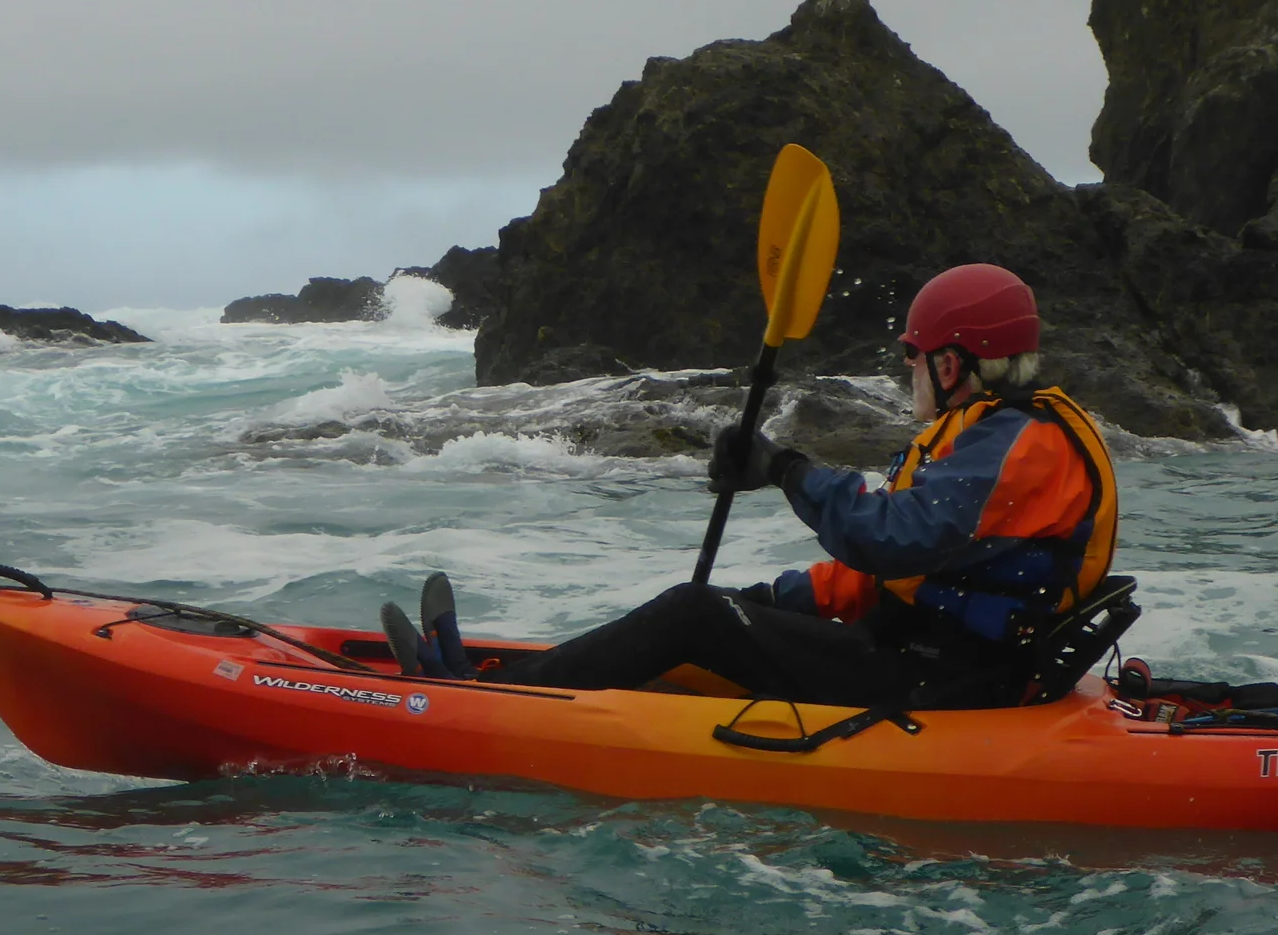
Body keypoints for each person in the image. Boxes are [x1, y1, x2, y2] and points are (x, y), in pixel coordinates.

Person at [378, 263, 1119, 709]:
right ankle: (514, 679)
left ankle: (490, 697)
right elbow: (885, 574)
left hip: (951, 683)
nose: (908, 369)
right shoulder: (995, 437)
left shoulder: (1023, 446)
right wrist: (769, 602)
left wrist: (783, 470)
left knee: (693, 614)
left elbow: (890, 540)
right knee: (713, 612)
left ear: (952, 364)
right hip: (926, 656)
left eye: (914, 355)